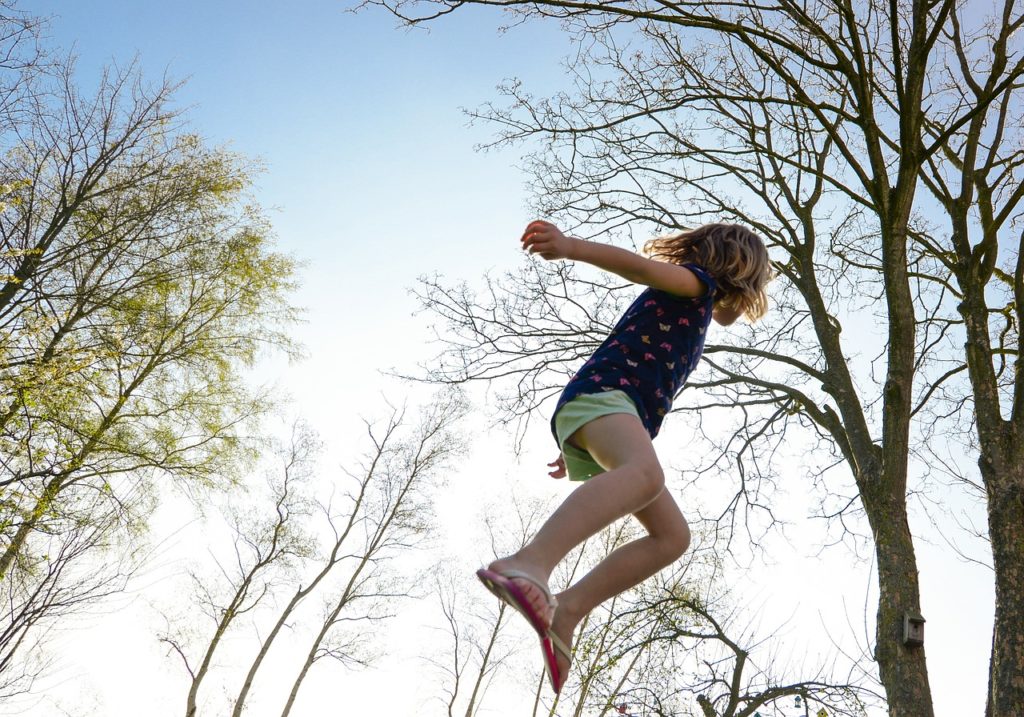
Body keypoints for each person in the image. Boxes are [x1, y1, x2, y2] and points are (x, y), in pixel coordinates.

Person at [476, 219, 773, 694]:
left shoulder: (698, 303)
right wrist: (570, 247)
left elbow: (727, 316)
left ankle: (567, 611)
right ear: (738, 271)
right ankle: (529, 562)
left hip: (608, 410)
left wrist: (581, 442)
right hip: (607, 398)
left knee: (672, 537)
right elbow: (637, 267)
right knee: (645, 475)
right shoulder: (696, 282)